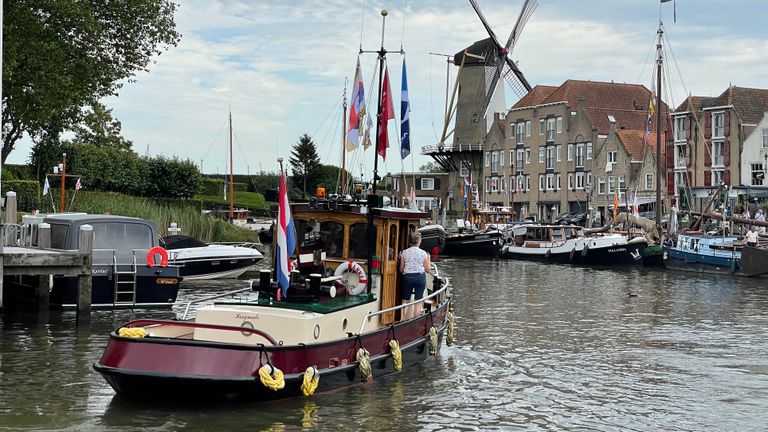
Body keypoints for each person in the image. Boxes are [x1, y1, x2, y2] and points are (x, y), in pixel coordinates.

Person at [399, 231, 431, 320]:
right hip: (419, 278)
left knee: (405, 300)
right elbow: (428, 270)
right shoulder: (423, 253)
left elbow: (401, 269)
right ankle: (416, 320)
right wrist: (429, 259)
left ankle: (403, 320)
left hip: (407, 278)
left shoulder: (404, 252)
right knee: (418, 301)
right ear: (419, 241)